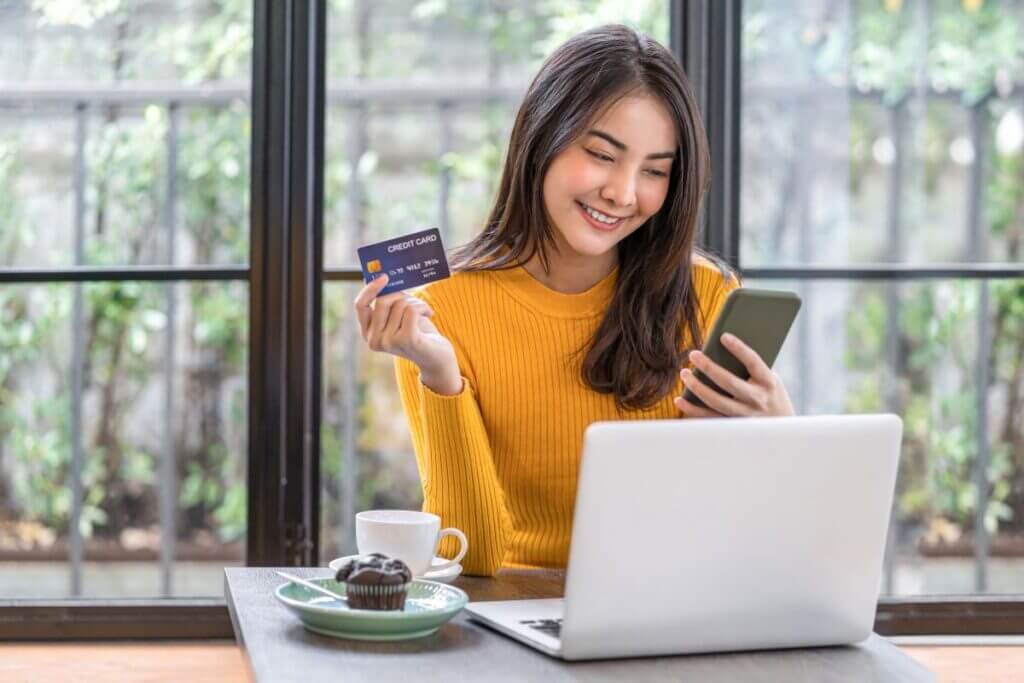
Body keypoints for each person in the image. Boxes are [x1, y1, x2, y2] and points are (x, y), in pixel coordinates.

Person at [353, 24, 795, 576]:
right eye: (602, 155)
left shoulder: (705, 296)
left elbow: (740, 533)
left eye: (655, 170)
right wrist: (440, 373)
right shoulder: (442, 312)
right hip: (516, 619)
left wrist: (781, 438)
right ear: (542, 137)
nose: (623, 193)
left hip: (673, 609)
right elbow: (472, 557)